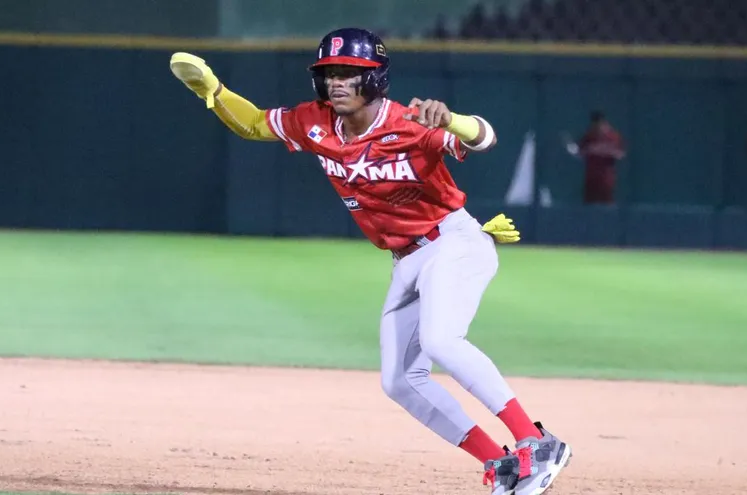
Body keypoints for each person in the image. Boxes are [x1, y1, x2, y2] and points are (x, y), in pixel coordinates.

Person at [169, 27, 571, 495]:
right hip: (406, 259)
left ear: (375, 79)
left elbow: (486, 138)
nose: (337, 83)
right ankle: (499, 463)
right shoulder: (314, 121)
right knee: (399, 381)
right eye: (330, 74)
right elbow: (256, 123)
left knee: (441, 340)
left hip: (453, 243)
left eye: (350, 74)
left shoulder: (412, 122)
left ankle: (536, 441)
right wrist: (214, 93)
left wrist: (453, 120)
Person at [563, 111, 626, 204]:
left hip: (606, 179)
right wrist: (582, 150)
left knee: (607, 205)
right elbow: (580, 152)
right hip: (591, 179)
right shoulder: (589, 136)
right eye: (594, 125)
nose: (597, 128)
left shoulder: (614, 136)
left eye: (599, 125)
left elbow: (620, 154)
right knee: (589, 205)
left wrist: (603, 151)